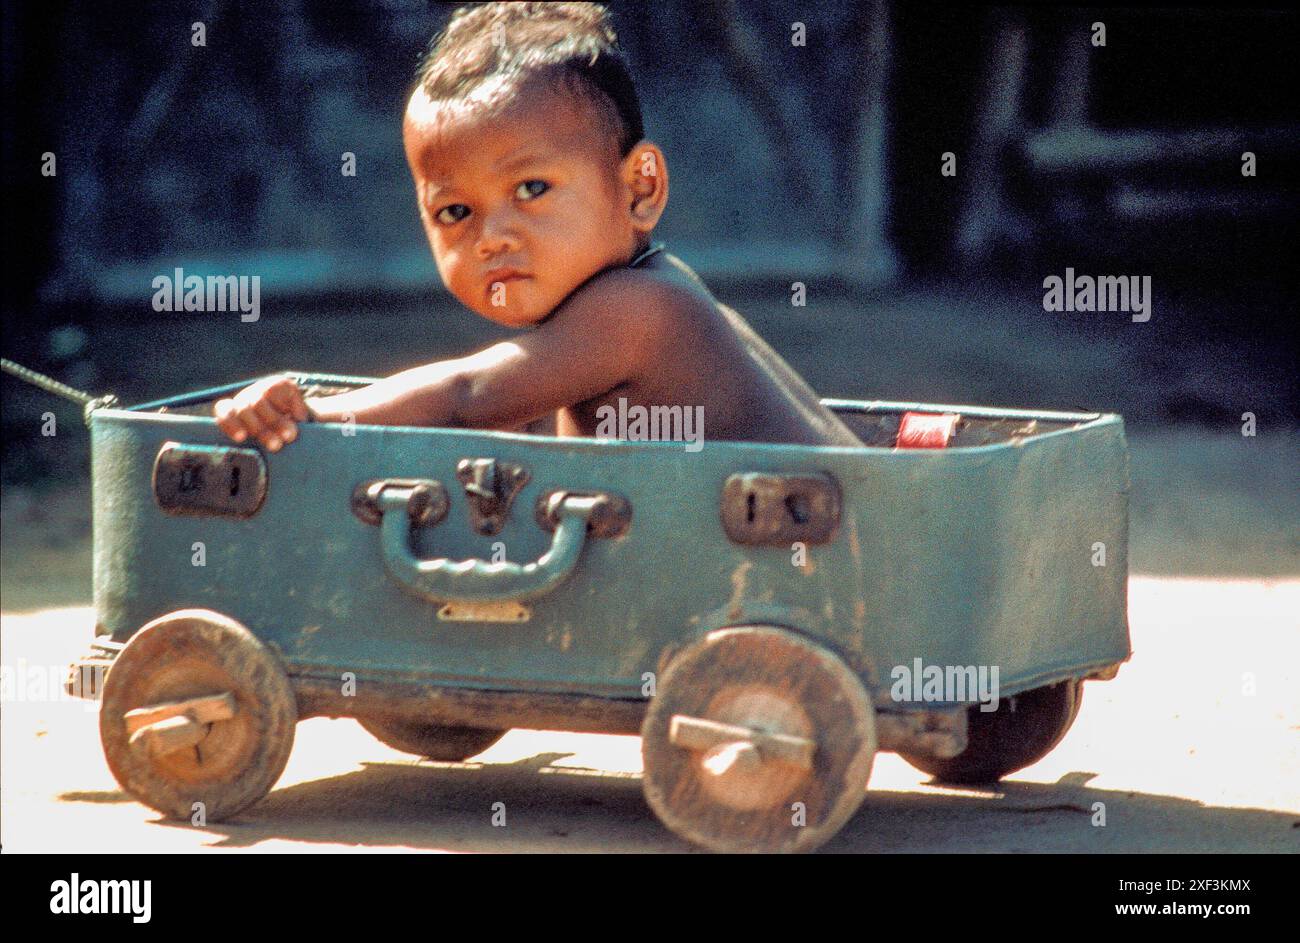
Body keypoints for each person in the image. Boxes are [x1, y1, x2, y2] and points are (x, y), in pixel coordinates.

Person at [214, 2, 863, 452]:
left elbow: (468, 393)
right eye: (455, 212)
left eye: (532, 189)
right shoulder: (652, 295)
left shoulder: (642, 309)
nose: (492, 236)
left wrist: (314, 413)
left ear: (640, 188)